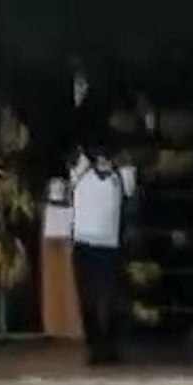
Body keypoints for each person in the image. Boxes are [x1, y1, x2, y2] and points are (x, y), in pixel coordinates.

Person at [69, 144, 136, 365]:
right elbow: (74, 157)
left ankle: (112, 346)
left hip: (109, 245)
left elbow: (130, 183)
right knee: (87, 298)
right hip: (83, 242)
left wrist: (119, 161)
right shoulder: (80, 171)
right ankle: (95, 346)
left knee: (113, 299)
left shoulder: (121, 175)